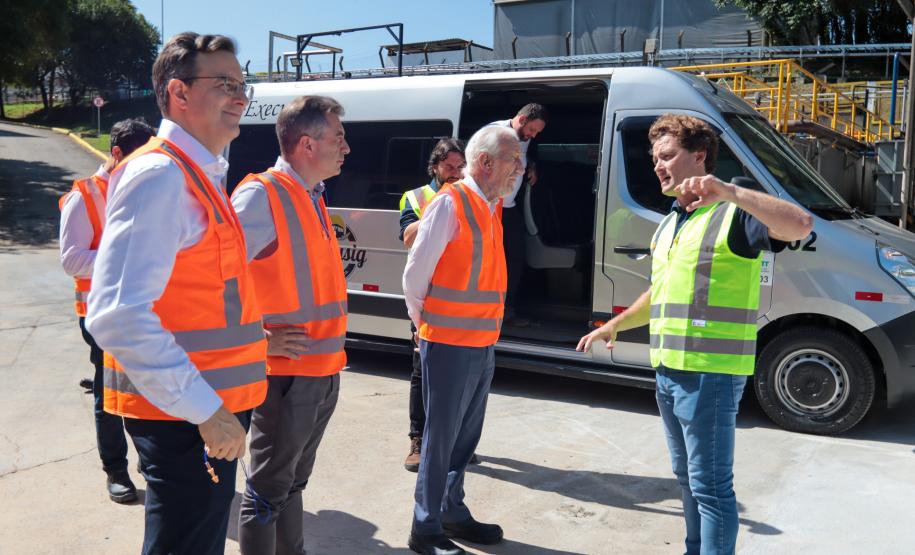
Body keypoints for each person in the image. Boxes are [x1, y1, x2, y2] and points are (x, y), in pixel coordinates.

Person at [576, 114, 813, 555]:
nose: (658, 166)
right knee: (687, 480)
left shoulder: (733, 216)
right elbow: (660, 293)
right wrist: (615, 324)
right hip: (669, 371)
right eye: (654, 159)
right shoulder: (671, 223)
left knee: (710, 488)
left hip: (710, 374)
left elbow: (800, 225)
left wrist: (729, 190)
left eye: (667, 156)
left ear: (699, 156)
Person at [86, 32, 267, 555]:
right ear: (178, 93)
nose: (241, 96)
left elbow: (208, 296)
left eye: (243, 84)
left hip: (205, 410)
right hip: (186, 417)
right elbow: (117, 314)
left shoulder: (200, 172)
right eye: (225, 84)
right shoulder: (160, 175)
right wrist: (206, 411)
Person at [231, 95, 350, 555]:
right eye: (338, 137)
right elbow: (209, 280)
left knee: (292, 485)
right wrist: (256, 336)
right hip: (284, 377)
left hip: (319, 372)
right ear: (306, 144)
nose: (346, 148)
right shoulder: (262, 195)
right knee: (265, 493)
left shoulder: (311, 197)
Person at [403, 125, 522, 555]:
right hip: (449, 342)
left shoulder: (490, 206)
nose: (520, 168)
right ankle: (425, 527)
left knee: (464, 440)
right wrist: (424, 327)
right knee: (439, 440)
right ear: (486, 163)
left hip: (480, 342)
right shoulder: (451, 203)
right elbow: (415, 276)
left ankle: (451, 510)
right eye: (513, 159)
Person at [58, 117, 154, 504]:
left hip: (144, 308)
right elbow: (72, 259)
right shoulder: (84, 195)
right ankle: (116, 470)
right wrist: (124, 258)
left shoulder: (141, 189)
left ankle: (151, 461)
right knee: (110, 394)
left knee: (149, 387)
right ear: (116, 154)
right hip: (100, 313)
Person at [397, 138, 466, 473]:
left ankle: (451, 440)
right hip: (427, 298)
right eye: (449, 167)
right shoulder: (416, 197)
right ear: (436, 166)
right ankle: (417, 440)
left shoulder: (470, 196)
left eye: (459, 167)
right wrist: (439, 211)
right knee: (421, 370)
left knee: (458, 373)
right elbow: (408, 237)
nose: (455, 173)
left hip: (462, 297)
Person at [486, 103, 547, 326]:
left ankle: (506, 309)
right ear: (521, 119)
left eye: (537, 133)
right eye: (532, 130)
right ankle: (487, 312)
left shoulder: (526, 137)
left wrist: (532, 165)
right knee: (490, 261)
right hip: (490, 207)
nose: (533, 135)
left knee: (515, 258)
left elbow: (525, 155)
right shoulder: (495, 133)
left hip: (509, 207)